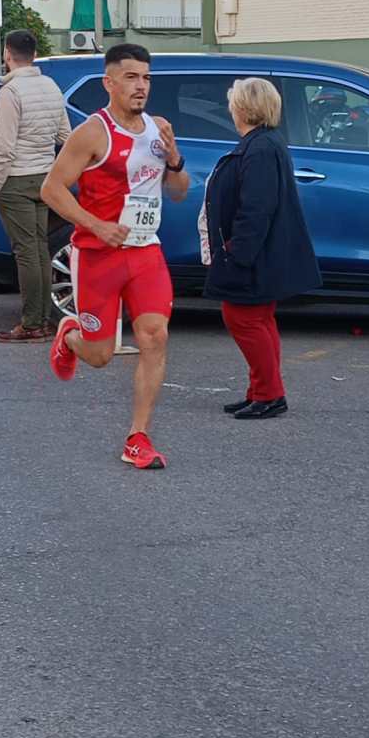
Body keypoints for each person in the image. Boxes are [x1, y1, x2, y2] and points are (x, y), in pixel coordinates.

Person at [41, 44, 190, 470]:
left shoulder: (159, 129)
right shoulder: (92, 132)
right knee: (100, 355)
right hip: (98, 256)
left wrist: (175, 160)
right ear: (109, 83)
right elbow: (51, 189)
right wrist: (96, 225)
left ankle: (137, 437)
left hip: (145, 251)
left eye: (146, 77)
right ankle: (71, 336)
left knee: (155, 336)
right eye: (131, 77)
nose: (141, 86)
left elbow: (178, 193)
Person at [199, 77, 322, 419]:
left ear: (242, 107)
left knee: (243, 318)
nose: (230, 108)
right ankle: (261, 391)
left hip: (254, 252)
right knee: (259, 319)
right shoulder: (265, 143)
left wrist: (237, 252)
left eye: (232, 102)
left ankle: (269, 394)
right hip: (264, 250)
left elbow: (256, 208)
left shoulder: (260, 149)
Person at [0, 28, 71, 343]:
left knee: (26, 252)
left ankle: (32, 323)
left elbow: (4, 145)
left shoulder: (10, 93)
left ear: (7, 54)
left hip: (16, 179)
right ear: (35, 54)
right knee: (39, 249)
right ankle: (42, 320)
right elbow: (65, 135)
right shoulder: (51, 86)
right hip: (45, 178)